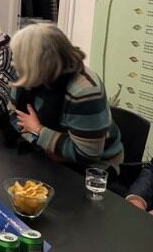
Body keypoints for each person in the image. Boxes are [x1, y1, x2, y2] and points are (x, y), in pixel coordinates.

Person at [8, 23, 123, 171]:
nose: (15, 64)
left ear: (40, 64)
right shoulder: (27, 74)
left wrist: (38, 131)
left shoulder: (84, 90)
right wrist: (38, 138)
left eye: (20, 59)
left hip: (91, 170)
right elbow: (13, 115)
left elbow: (87, 154)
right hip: (44, 155)